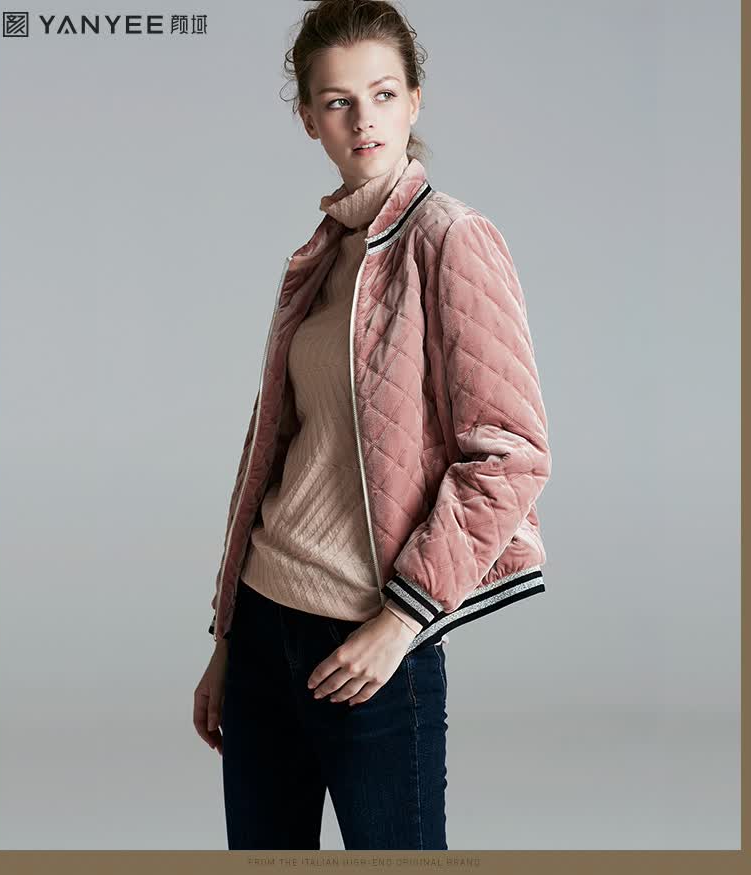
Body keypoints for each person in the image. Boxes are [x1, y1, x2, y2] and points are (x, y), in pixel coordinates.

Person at [193, 0, 551, 851]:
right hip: (264, 622)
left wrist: (400, 623)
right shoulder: (320, 256)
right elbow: (273, 453)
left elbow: (510, 453)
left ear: (415, 100)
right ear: (309, 117)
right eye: (339, 101)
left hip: (367, 637)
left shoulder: (451, 238)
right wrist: (227, 638)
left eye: (383, 94)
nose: (364, 120)